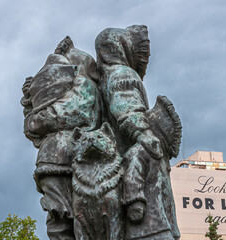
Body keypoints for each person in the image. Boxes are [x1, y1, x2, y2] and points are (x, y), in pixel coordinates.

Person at [95, 26, 181, 240]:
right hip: (135, 168)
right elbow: (126, 110)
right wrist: (146, 136)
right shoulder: (122, 74)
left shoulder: (105, 76)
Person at [21, 36, 102, 240]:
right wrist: (30, 101)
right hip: (61, 159)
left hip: (65, 158)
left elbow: (62, 115)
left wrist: (33, 118)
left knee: (64, 221)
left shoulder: (84, 85)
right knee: (62, 219)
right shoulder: (83, 87)